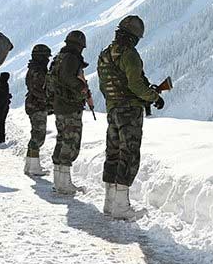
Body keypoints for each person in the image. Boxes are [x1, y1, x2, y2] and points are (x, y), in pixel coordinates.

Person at [97, 15, 163, 220]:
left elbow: (103, 85)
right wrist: (154, 97)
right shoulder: (130, 55)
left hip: (112, 109)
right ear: (134, 36)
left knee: (113, 153)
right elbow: (135, 84)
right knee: (129, 154)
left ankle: (109, 203)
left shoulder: (105, 54)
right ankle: (121, 207)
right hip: (129, 112)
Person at [47, 30, 89, 195]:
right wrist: (82, 88)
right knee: (70, 142)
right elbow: (67, 77)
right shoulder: (71, 58)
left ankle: (59, 181)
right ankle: (64, 184)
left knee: (62, 139)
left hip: (60, 104)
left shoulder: (61, 57)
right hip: (69, 105)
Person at [24, 44, 52, 176]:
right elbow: (38, 89)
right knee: (38, 136)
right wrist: (49, 99)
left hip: (34, 104)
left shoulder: (34, 68)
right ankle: (34, 167)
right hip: (37, 105)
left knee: (36, 134)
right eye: (46, 57)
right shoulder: (38, 71)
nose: (47, 59)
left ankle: (30, 165)